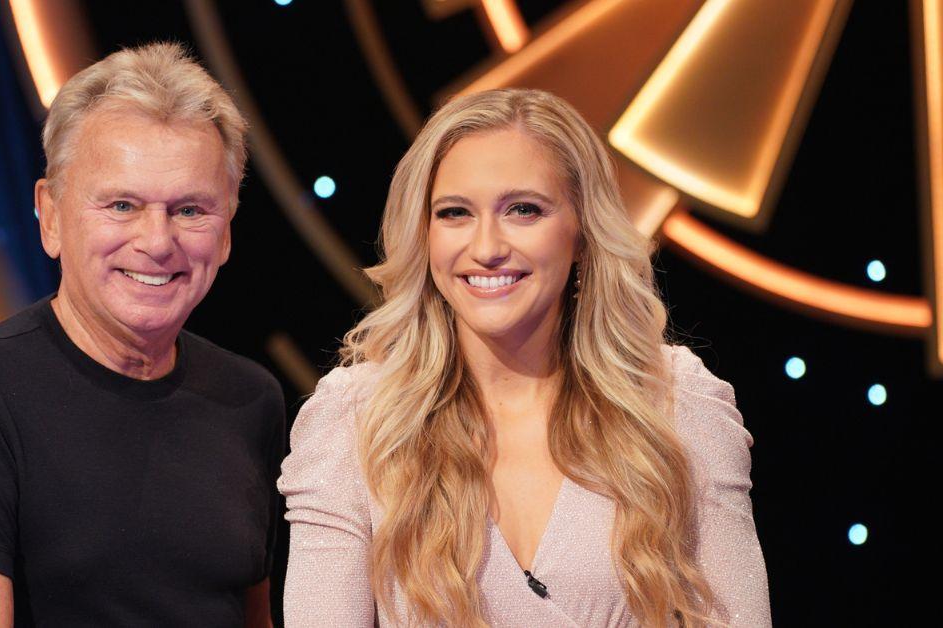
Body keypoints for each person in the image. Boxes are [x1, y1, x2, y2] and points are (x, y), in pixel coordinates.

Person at [278, 88, 771, 627]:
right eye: (454, 213)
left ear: (581, 232)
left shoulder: (677, 404)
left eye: (523, 210)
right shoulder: (355, 420)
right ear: (423, 235)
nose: (487, 246)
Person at [0, 43, 284, 627]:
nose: (157, 241)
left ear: (226, 232)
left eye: (189, 210)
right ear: (50, 215)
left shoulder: (252, 398)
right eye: (122, 205)